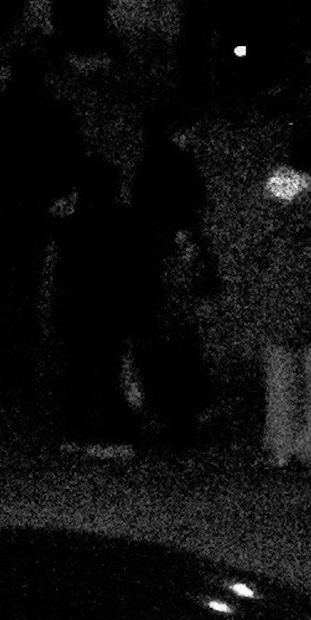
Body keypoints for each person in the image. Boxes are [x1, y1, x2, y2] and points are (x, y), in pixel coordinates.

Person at [0, 47, 81, 387]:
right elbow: (71, 160)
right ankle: (21, 352)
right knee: (27, 281)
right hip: (33, 209)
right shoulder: (54, 113)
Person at [239, 145, 311, 468]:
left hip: (282, 289)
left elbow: (260, 238)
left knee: (281, 369)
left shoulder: (280, 185)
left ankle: (281, 445)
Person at [127, 106, 216, 445]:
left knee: (161, 339)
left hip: (153, 263)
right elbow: (187, 212)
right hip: (171, 260)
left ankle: (165, 412)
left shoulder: (149, 167)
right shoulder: (175, 167)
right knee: (178, 338)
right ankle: (183, 414)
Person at [43, 156, 139, 455]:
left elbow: (60, 267)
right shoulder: (124, 220)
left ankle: (76, 434)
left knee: (79, 373)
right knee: (110, 371)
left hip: (80, 306)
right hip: (113, 305)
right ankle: (115, 437)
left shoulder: (71, 223)